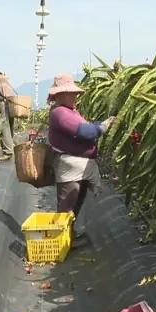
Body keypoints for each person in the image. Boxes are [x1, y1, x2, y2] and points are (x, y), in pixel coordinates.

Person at [46, 73, 115, 239]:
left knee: (76, 201)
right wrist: (103, 126)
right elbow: (87, 132)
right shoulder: (60, 113)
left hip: (79, 167)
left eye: (74, 93)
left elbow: (88, 127)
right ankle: (59, 241)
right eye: (70, 93)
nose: (74, 96)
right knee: (67, 205)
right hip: (69, 167)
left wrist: (98, 125)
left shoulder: (70, 111)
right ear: (59, 95)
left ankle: (68, 235)